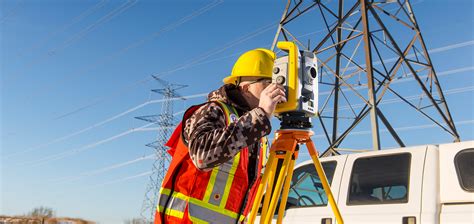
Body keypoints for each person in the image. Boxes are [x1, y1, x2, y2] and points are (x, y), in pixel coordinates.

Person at [154, 48, 286, 224]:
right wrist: (260, 115)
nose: (274, 88)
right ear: (245, 87)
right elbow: (202, 156)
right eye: (267, 82)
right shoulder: (213, 110)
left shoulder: (256, 131)